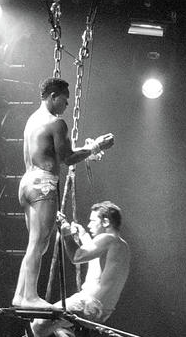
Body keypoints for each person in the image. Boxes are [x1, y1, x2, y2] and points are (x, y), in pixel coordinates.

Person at [15, 201, 130, 337]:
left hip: (88, 303)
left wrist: (66, 232)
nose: (90, 224)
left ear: (106, 222)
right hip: (102, 311)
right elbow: (96, 268)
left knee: (35, 327)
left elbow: (77, 257)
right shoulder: (121, 246)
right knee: (58, 324)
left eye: (93, 221)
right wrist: (83, 235)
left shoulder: (108, 239)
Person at [11, 77, 114, 309]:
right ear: (53, 96)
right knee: (38, 242)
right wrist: (96, 146)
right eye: (65, 100)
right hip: (43, 185)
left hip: (27, 183)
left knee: (36, 244)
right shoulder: (57, 123)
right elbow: (68, 158)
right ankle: (29, 296)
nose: (67, 105)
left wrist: (87, 150)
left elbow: (57, 152)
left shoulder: (32, 120)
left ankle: (20, 294)